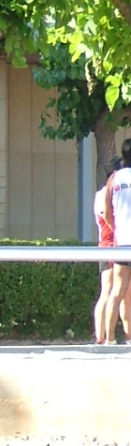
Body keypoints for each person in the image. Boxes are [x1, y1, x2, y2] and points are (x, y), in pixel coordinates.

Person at [102, 139, 131, 344]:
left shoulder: (113, 179)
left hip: (122, 243)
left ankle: (110, 338)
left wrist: (116, 230)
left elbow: (106, 212)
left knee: (117, 291)